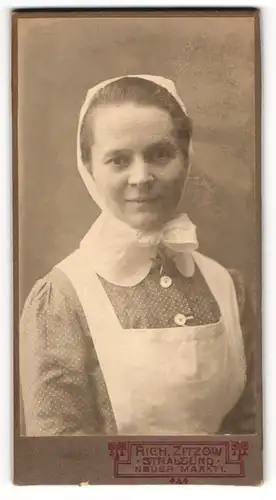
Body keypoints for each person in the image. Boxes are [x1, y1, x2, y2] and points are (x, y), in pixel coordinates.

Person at [20, 75, 256, 436]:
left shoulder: (228, 288)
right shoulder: (63, 300)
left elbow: (255, 438)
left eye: (160, 154)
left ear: (186, 158)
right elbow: (62, 462)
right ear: (89, 170)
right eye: (118, 160)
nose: (141, 177)